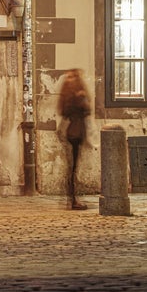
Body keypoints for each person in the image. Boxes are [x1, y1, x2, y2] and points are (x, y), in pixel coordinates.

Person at [57, 69, 92, 210]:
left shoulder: (67, 91)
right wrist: (81, 99)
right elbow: (86, 110)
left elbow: (63, 110)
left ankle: (71, 199)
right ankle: (72, 200)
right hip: (75, 132)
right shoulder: (75, 93)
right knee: (72, 168)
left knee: (71, 167)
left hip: (71, 131)